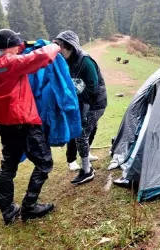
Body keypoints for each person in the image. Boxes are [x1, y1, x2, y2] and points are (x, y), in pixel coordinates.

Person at [0, 29, 61, 225]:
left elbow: (15, 51)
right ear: (8, 47)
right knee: (44, 163)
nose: (18, 50)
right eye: (16, 47)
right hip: (22, 121)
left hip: (4, 122)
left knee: (8, 165)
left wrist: (23, 44)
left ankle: (7, 210)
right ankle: (30, 206)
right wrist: (56, 45)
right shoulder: (10, 64)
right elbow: (40, 58)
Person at [55, 30, 107, 185]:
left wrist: (79, 106)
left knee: (81, 132)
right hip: (81, 101)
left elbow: (92, 89)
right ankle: (85, 156)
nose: (57, 49)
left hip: (95, 103)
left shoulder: (86, 61)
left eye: (60, 46)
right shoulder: (64, 60)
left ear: (69, 46)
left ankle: (87, 170)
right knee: (87, 130)